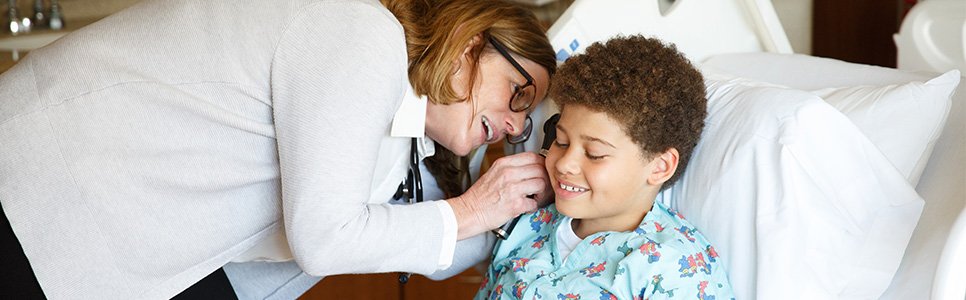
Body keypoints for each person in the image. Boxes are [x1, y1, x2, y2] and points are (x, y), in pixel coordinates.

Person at [0, 0, 557, 298]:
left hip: (102, 227)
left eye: (525, 119)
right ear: (471, 44)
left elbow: (438, 245)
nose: (513, 124)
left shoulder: (403, 143)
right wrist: (473, 209)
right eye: (518, 94)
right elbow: (327, 241)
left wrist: (517, 211)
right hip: (40, 187)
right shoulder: (361, 35)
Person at [475, 36, 736, 299]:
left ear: (660, 166)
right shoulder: (529, 224)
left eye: (594, 154)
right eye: (562, 141)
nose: (565, 164)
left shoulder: (673, 270)